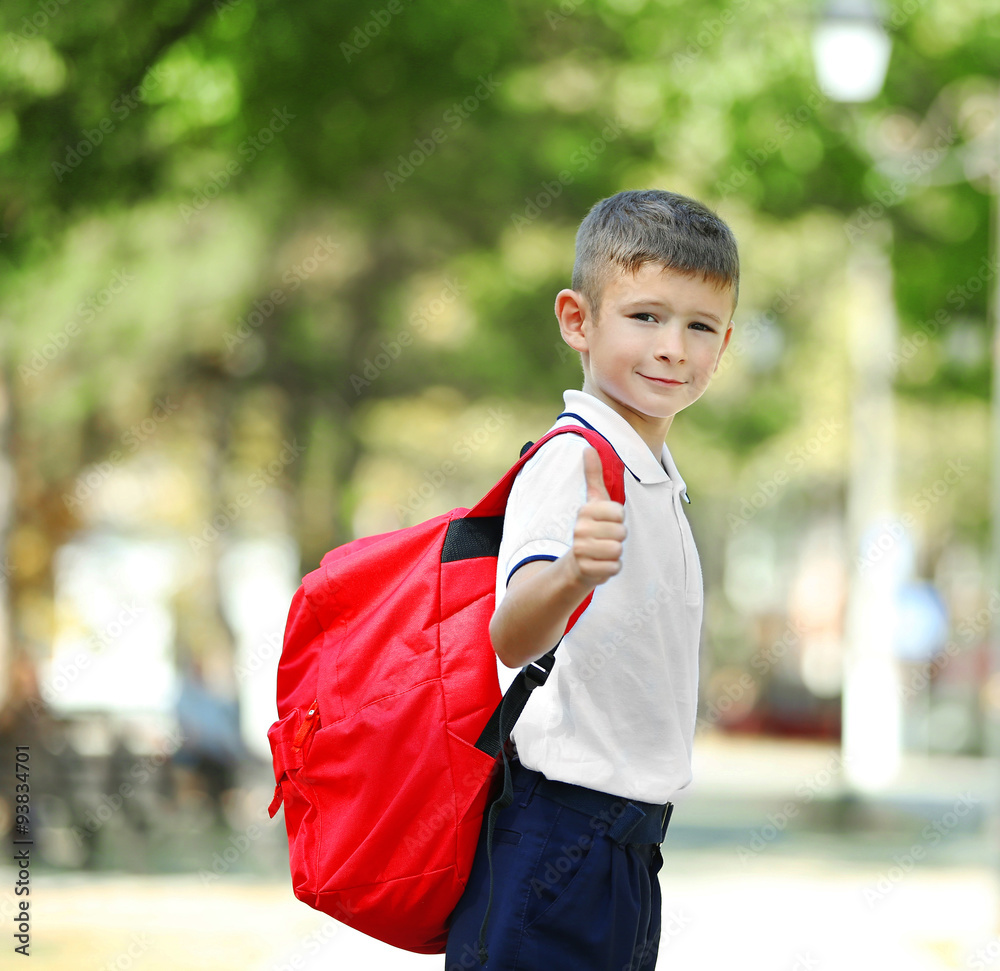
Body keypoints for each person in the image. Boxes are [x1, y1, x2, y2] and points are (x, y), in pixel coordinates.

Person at [444, 188, 739, 971]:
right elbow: (510, 631)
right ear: (578, 319)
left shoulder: (653, 471)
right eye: (645, 316)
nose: (673, 346)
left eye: (699, 325)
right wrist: (572, 569)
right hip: (557, 837)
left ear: (725, 342)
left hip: (624, 849)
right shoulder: (577, 458)